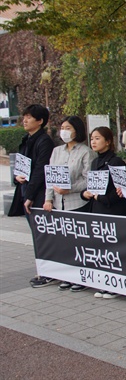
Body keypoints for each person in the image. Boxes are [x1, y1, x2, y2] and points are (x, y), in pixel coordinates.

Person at [43, 115, 96, 292]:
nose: (64, 131)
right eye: (62, 127)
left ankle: (81, 277)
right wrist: (48, 199)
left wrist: (71, 188)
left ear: (77, 130)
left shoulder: (85, 151)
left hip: (77, 203)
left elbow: (88, 179)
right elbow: (50, 177)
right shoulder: (57, 151)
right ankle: (68, 274)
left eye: (68, 128)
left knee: (79, 243)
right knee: (64, 242)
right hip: (59, 204)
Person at [8, 105, 57, 288]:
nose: (25, 120)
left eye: (29, 117)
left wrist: (29, 196)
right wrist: (17, 177)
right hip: (26, 190)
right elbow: (23, 166)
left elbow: (40, 171)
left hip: (38, 195)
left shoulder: (44, 141)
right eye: (24, 117)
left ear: (40, 121)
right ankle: (43, 269)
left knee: (42, 235)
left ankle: (47, 271)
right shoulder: (27, 140)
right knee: (37, 234)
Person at [82, 126, 126, 298]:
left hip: (113, 211)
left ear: (108, 141)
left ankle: (115, 285)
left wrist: (99, 198)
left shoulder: (116, 162)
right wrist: (86, 194)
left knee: (114, 250)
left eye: (97, 138)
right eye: (92, 138)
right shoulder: (95, 162)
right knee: (103, 249)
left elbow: (120, 191)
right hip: (98, 210)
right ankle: (106, 282)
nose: (93, 142)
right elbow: (91, 187)